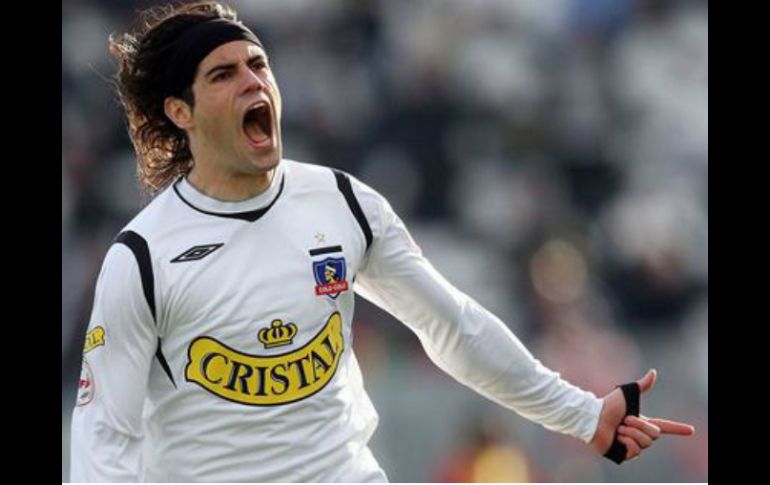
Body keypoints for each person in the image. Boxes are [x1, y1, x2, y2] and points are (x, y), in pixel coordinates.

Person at [69, 1, 694, 482]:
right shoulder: (144, 256)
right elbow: (105, 435)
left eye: (258, 65)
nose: (253, 84)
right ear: (179, 111)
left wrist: (581, 414)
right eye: (223, 75)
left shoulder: (342, 202)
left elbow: (452, 327)